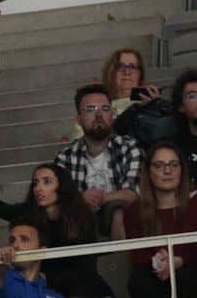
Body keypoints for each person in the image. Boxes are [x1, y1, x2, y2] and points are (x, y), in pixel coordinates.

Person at [0, 165, 109, 298]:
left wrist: (49, 278)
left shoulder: (83, 219)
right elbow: (6, 210)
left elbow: (87, 265)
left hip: (78, 284)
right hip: (45, 287)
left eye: (47, 182)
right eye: (36, 183)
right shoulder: (30, 212)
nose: (38, 188)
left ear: (62, 187)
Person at [116, 143, 197, 298]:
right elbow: (138, 256)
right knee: (139, 280)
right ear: (149, 171)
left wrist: (177, 261)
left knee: (186, 276)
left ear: (182, 169)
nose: (167, 171)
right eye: (159, 165)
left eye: (174, 165)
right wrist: (161, 261)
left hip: (193, 272)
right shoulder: (133, 211)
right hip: (154, 273)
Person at [53, 84, 142, 236]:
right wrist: (81, 200)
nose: (99, 114)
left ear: (113, 114)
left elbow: (132, 193)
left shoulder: (129, 147)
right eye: (90, 109)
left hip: (122, 219)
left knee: (118, 210)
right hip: (82, 223)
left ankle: (120, 259)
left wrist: (100, 199)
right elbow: (58, 202)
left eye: (105, 109)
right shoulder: (65, 157)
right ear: (78, 119)